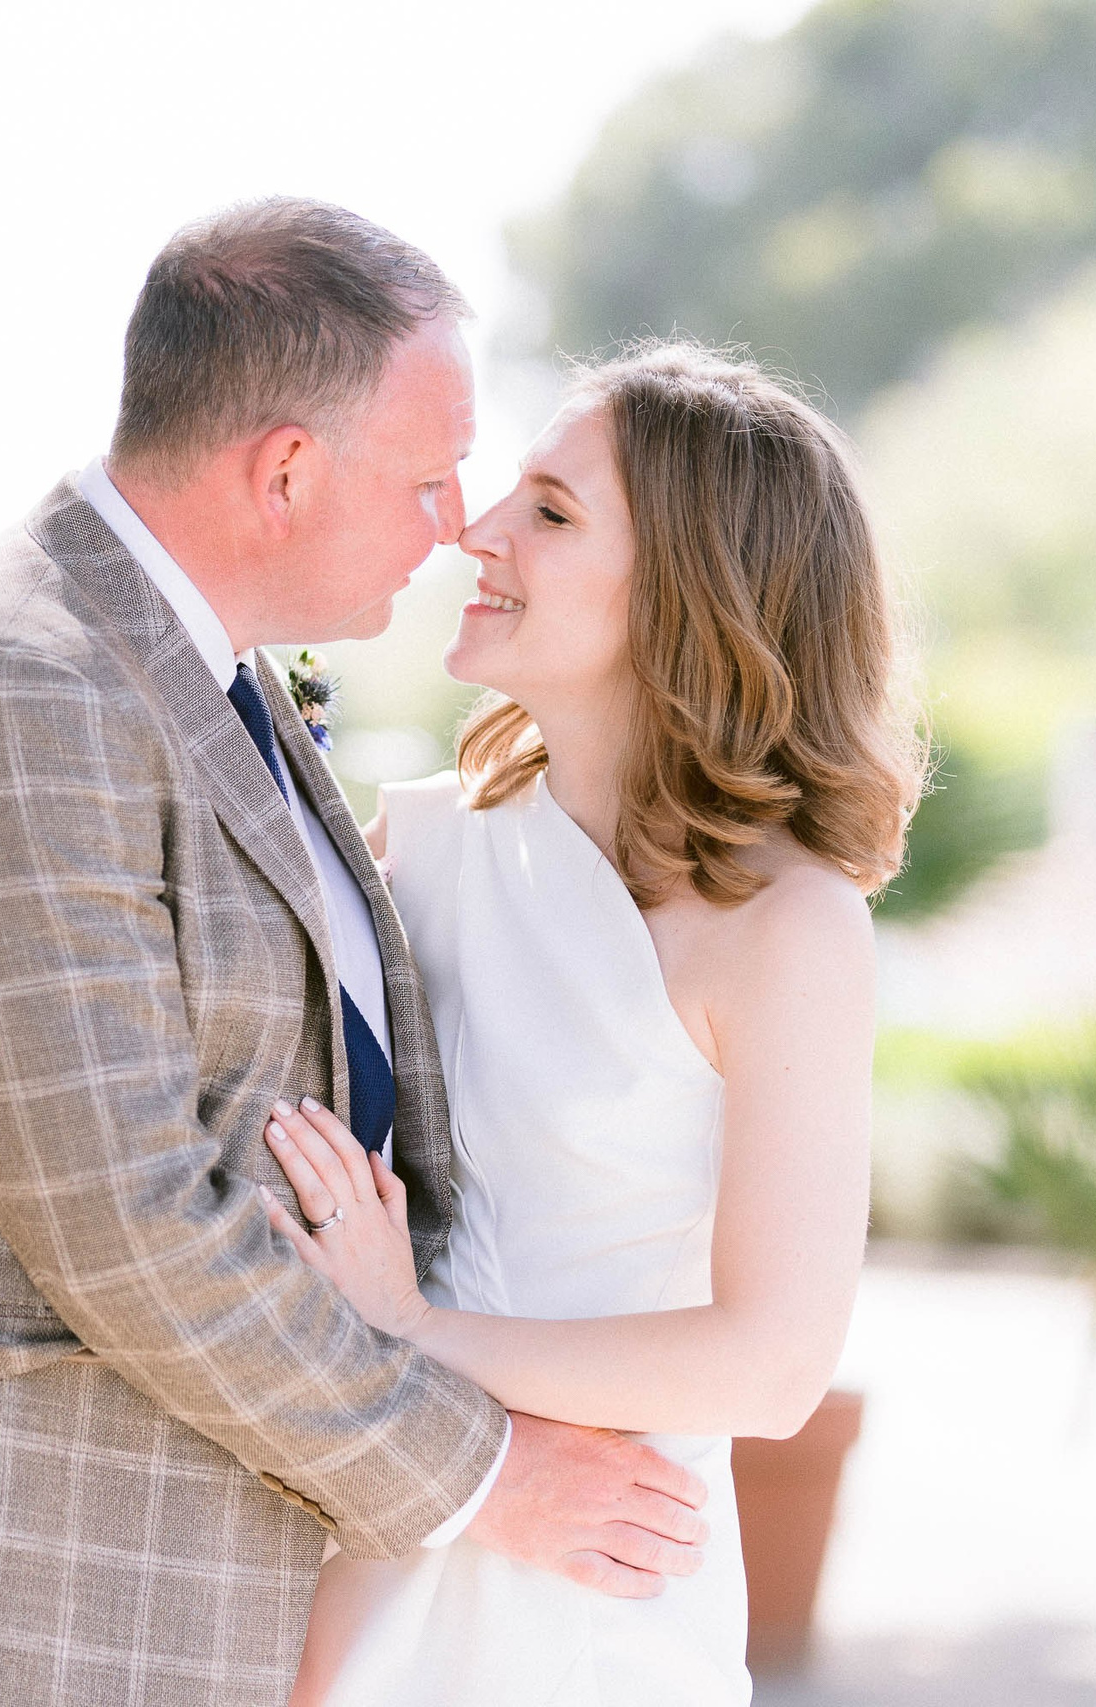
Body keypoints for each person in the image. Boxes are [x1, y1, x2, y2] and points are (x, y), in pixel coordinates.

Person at [0, 200, 711, 1707]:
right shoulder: (22, 691)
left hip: (170, 1601)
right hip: (1, 1613)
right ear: (287, 472)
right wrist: (482, 1475)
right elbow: (125, 1217)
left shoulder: (201, 677)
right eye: (432, 479)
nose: (458, 526)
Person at [260, 342, 924, 1705]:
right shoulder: (418, 848)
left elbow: (772, 1365)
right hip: (379, 1553)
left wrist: (416, 1329)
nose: (476, 531)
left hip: (601, 1594)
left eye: (552, 513)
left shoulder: (788, 929)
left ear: (693, 592)